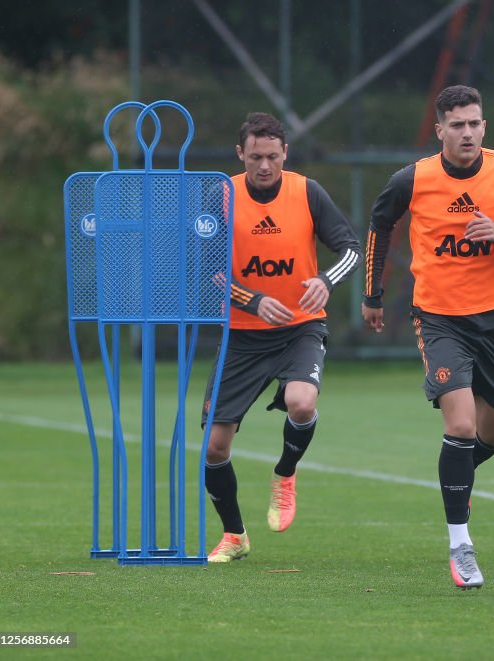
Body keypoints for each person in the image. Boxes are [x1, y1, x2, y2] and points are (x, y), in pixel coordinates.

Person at [362, 85, 494, 589]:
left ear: (484, 127)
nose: (467, 132)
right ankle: (461, 546)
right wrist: (373, 293)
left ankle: (460, 481)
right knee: (463, 425)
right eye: (457, 125)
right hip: (440, 319)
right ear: (440, 131)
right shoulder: (414, 179)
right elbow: (379, 223)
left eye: (475, 123)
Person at [202, 112, 362, 563]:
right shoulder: (222, 195)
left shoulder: (308, 192)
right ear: (240, 154)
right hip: (242, 334)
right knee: (215, 447)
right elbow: (204, 268)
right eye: (256, 157)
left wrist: (326, 280)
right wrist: (250, 300)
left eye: (273, 156)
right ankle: (235, 536)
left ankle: (285, 474)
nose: (265, 165)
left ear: (285, 153)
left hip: (300, 327)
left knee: (302, 402)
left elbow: (350, 249)